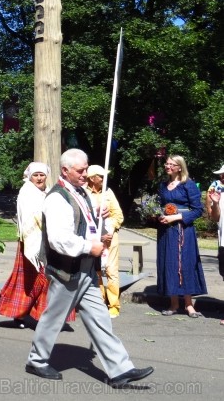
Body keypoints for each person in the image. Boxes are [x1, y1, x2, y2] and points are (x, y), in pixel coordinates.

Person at [26, 148, 153, 388]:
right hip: (67, 269)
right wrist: (89, 247)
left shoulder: (79, 192)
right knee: (54, 317)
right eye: (81, 170)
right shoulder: (56, 198)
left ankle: (120, 370)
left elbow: (82, 224)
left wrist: (96, 215)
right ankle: (37, 360)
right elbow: (58, 239)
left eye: (86, 169)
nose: (86, 174)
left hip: (85, 268)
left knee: (100, 319)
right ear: (65, 170)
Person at [0, 163, 57, 327]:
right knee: (28, 280)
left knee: (46, 279)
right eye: (35, 175)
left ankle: (42, 315)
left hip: (47, 242)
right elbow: (29, 215)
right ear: (30, 176)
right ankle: (20, 313)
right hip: (31, 242)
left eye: (42, 175)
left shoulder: (49, 191)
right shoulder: (27, 192)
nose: (39, 178)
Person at [157, 155, 206, 317]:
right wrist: (157, 215)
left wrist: (176, 217)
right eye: (167, 163)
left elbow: (198, 210)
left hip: (184, 230)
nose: (168, 166)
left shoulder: (188, 185)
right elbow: (160, 205)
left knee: (185, 263)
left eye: (172, 164)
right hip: (166, 231)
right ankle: (173, 304)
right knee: (169, 263)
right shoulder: (163, 186)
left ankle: (189, 304)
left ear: (180, 167)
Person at [85, 165, 124, 318]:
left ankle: (114, 305)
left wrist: (109, 231)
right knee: (96, 271)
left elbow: (118, 215)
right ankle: (99, 303)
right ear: (92, 178)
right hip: (93, 238)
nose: (103, 179)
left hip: (111, 238)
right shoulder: (83, 193)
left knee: (111, 271)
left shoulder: (108, 192)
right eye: (100, 176)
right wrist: (98, 235)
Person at [207, 171, 223, 325]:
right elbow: (215, 217)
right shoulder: (218, 193)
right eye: (222, 175)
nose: (222, 177)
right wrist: (216, 203)